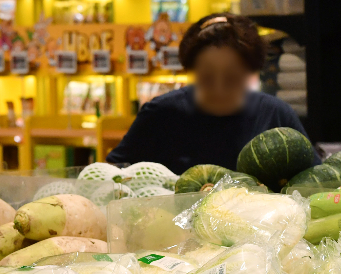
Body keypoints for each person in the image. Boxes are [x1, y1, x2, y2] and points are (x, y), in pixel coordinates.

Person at [107, 13, 309, 175]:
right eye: (207, 77)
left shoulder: (276, 114)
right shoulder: (160, 113)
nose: (219, 89)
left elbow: (311, 179)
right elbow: (112, 172)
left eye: (231, 78)